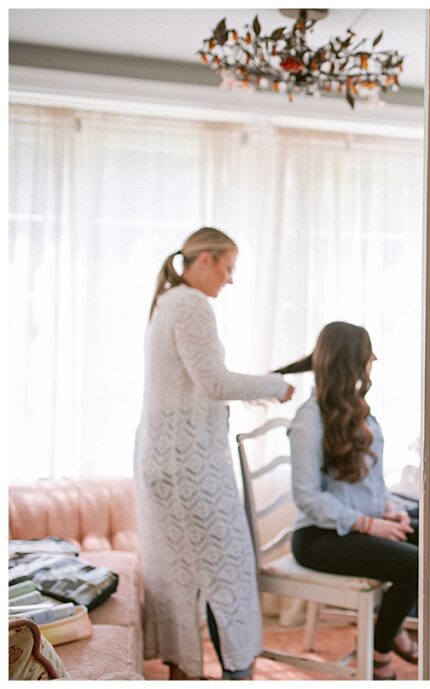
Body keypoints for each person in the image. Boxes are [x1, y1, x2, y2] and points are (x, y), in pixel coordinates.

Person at [133, 227, 295, 680]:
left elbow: (196, 383)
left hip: (166, 461)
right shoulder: (190, 304)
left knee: (181, 576)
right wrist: (274, 386)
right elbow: (214, 382)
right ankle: (236, 672)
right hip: (187, 466)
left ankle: (188, 671)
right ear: (204, 260)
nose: (230, 279)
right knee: (230, 570)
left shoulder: (168, 302)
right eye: (228, 267)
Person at [278, 322, 418, 681]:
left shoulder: (354, 407)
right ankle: (380, 651)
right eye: (367, 353)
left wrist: (388, 510)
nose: (374, 360)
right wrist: (370, 525)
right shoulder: (309, 420)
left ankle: (391, 626)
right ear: (350, 361)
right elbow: (308, 497)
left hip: (355, 523)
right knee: (416, 564)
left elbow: (368, 481)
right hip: (318, 537)